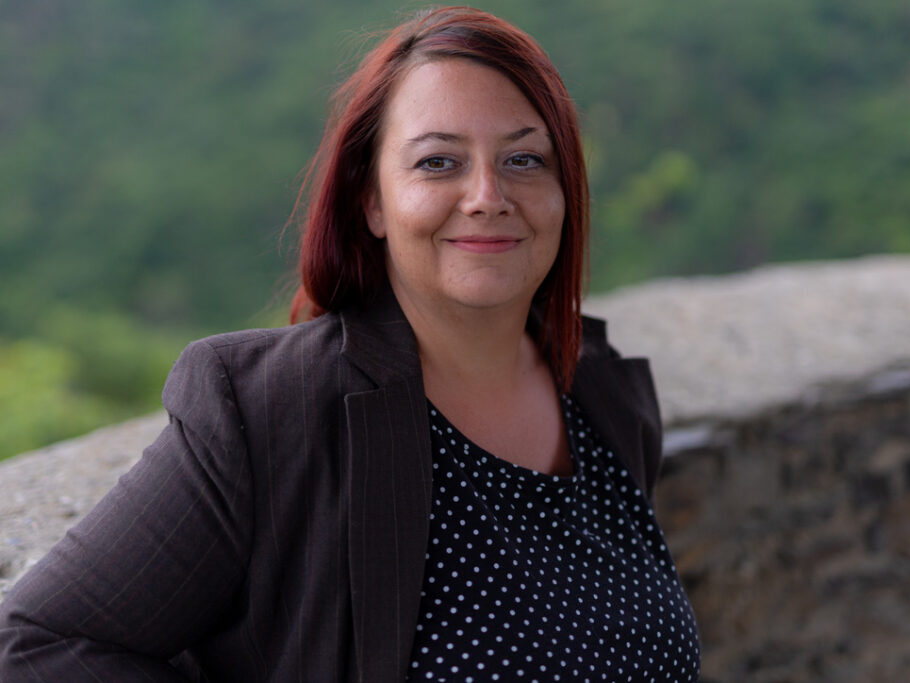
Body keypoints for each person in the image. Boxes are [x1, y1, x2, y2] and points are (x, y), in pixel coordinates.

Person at [0, 6, 700, 681]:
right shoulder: (270, 412)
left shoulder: (602, 389)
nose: (487, 195)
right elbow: (35, 646)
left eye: (524, 159)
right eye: (438, 163)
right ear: (371, 201)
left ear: (565, 191)